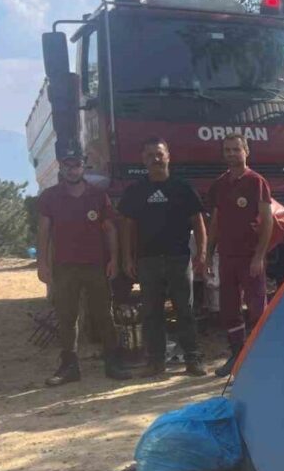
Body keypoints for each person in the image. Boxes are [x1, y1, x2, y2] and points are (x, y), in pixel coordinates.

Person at [36, 148, 130, 385]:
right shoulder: (50, 196)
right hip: (64, 267)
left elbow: (110, 229)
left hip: (95, 265)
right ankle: (69, 366)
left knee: (103, 315)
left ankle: (113, 361)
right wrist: (43, 264)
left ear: (83, 166)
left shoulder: (98, 195)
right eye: (67, 165)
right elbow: (44, 232)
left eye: (76, 165)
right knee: (67, 316)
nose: (72, 169)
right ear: (61, 167)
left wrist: (114, 260)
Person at [117, 138, 207, 376]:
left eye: (159, 154)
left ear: (168, 156)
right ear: (143, 160)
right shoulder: (135, 191)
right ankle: (155, 362)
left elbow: (198, 222)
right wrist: (127, 258)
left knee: (185, 311)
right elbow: (127, 227)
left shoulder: (182, 188)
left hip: (179, 259)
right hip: (148, 261)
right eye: (149, 155)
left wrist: (202, 252)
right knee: (151, 312)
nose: (155, 159)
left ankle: (193, 359)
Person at [207, 133, 274, 377]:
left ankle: (262, 356)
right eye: (228, 150)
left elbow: (267, 222)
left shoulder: (257, 182)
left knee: (257, 307)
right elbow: (215, 221)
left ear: (246, 151)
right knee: (229, 308)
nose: (232, 154)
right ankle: (236, 356)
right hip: (226, 257)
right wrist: (208, 253)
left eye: (237, 149)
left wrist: (259, 256)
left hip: (249, 257)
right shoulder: (220, 184)